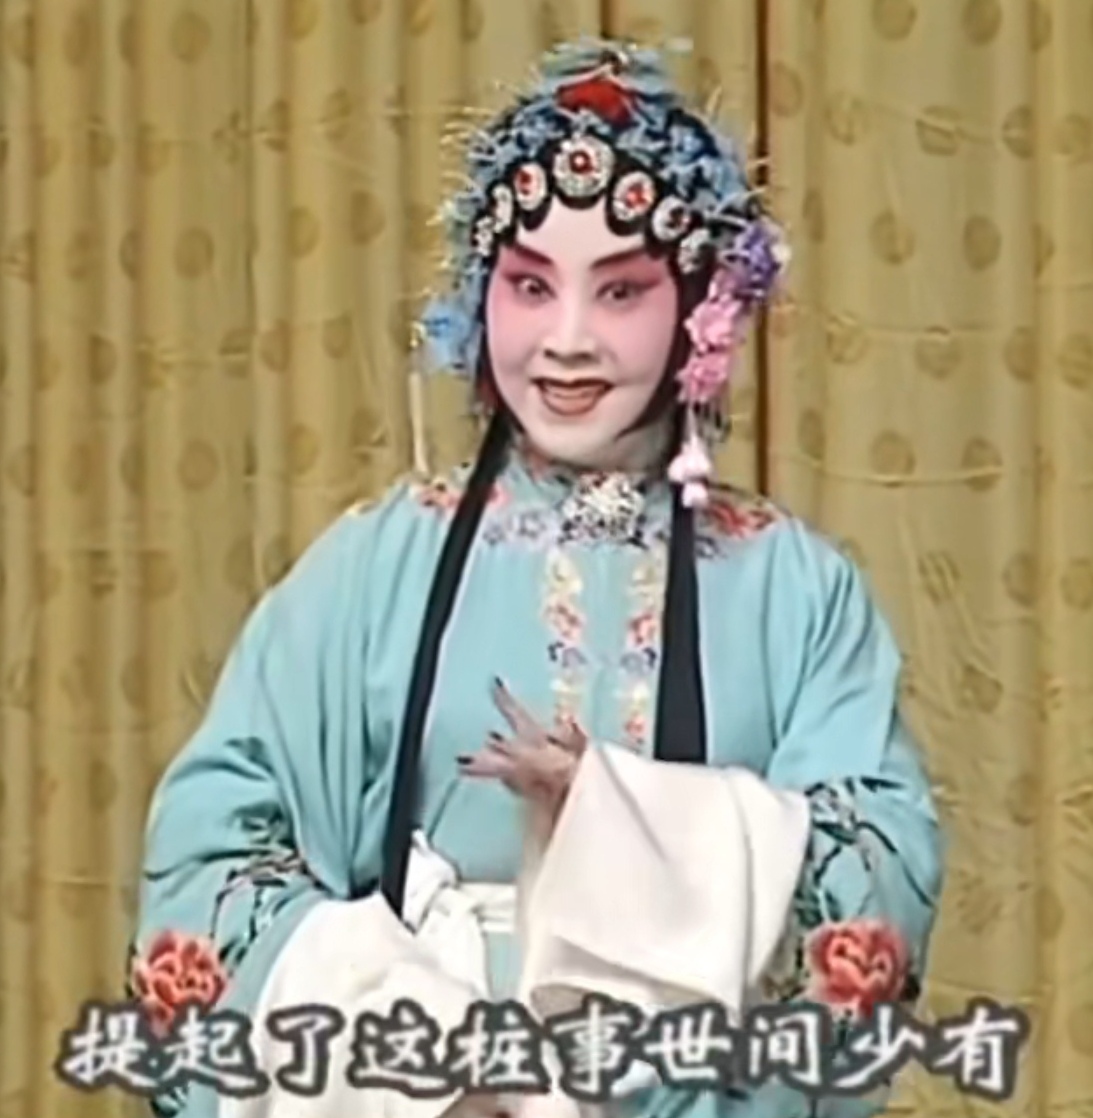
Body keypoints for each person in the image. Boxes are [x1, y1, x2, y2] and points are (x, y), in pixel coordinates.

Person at [126, 37, 945, 1118]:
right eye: (528, 285)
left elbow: (878, 867)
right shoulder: (374, 565)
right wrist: (432, 1062)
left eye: (620, 291)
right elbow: (208, 854)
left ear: (700, 309)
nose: (566, 342)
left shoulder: (794, 588)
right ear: (483, 295)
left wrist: (625, 816)